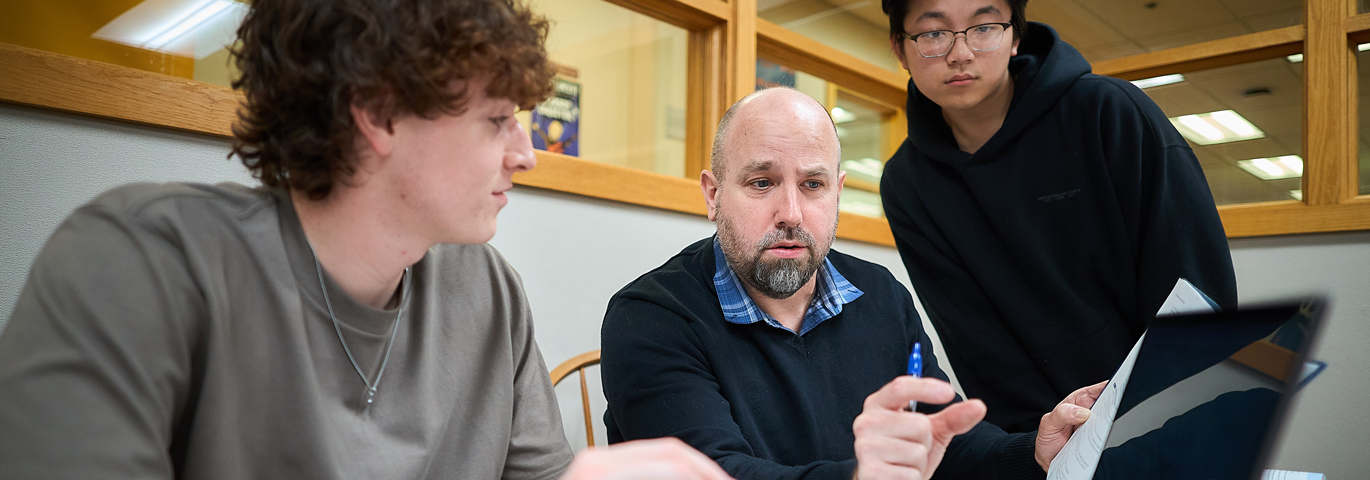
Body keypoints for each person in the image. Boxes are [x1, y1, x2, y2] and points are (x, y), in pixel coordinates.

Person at [0, 0, 728, 479]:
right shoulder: (138, 264)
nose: (525, 152)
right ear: (378, 114)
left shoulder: (489, 293)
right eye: (497, 119)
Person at [600, 87, 1104, 480]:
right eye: (761, 183)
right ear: (713, 195)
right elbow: (716, 472)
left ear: (837, 193)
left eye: (813, 185)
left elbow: (942, 443)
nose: (791, 214)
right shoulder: (649, 317)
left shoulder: (880, 295)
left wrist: (1035, 452)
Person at [877, 0, 1239, 433]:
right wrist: (1039, 447)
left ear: (1015, 36)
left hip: (1172, 411)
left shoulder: (1111, 112)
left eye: (984, 27)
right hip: (1046, 437)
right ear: (901, 49)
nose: (960, 53)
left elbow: (1192, 283)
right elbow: (977, 344)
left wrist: (1170, 412)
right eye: (933, 33)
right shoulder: (906, 183)